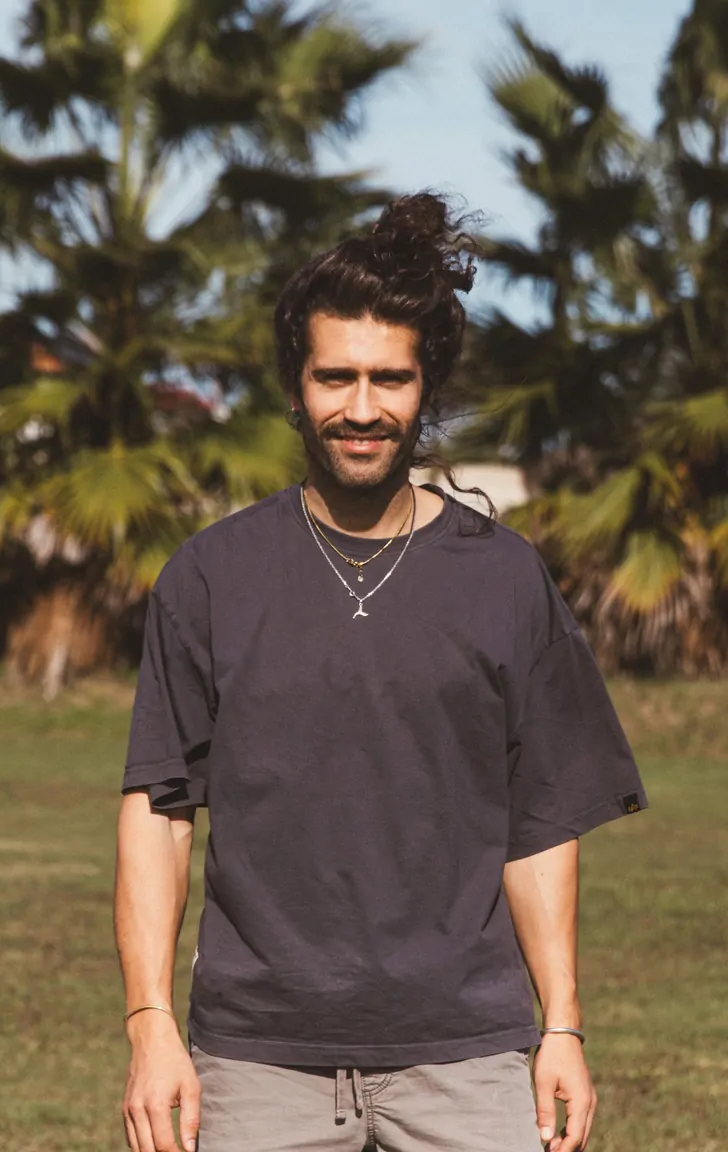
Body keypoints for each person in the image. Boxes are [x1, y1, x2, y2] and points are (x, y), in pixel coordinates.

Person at [114, 192, 647, 1152]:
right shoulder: (210, 575)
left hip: (468, 1055)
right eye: (336, 378)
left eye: (390, 381)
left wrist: (560, 1023)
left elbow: (541, 818)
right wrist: (151, 1025)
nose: (362, 409)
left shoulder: (504, 575)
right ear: (296, 385)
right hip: (255, 1059)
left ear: (424, 389)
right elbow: (159, 809)